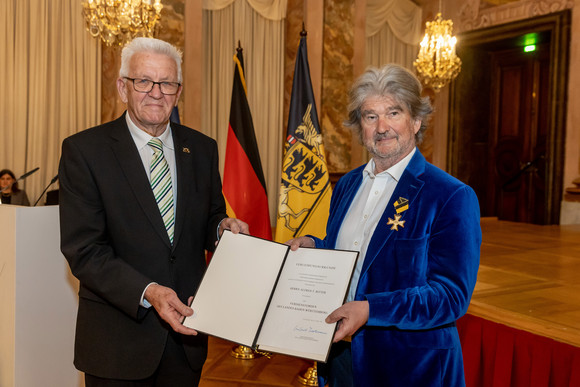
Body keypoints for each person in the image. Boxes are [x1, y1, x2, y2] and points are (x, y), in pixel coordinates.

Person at [59, 37, 248, 387]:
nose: (156, 92)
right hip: (117, 343)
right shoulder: (85, 151)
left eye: (167, 83)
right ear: (122, 87)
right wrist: (149, 291)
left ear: (178, 91)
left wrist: (222, 228)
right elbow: (84, 251)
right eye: (143, 81)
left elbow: (208, 218)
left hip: (187, 337)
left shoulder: (202, 148)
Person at [287, 64, 481, 386]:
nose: (382, 127)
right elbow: (351, 253)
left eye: (393, 113)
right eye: (370, 116)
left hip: (409, 367)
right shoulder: (347, 185)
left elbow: (450, 296)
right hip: (339, 356)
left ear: (416, 121)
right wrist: (314, 245)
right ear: (359, 126)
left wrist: (369, 309)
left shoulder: (450, 195)